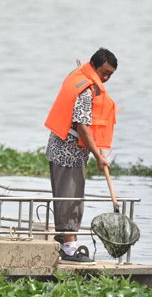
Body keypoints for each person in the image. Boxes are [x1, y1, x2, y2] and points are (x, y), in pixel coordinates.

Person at [44, 48, 118, 263]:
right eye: (104, 72)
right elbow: (83, 127)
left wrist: (96, 149)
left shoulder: (78, 77)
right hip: (69, 152)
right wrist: (98, 156)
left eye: (110, 75)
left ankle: (65, 239)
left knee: (68, 196)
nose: (106, 78)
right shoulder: (86, 89)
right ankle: (68, 247)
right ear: (93, 66)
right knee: (71, 198)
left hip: (61, 148)